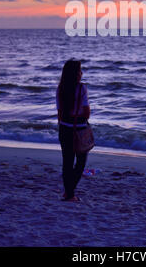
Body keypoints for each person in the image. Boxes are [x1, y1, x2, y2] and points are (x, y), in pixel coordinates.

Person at [57, 60, 91, 202]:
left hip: (64, 128)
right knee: (81, 162)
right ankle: (70, 193)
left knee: (67, 162)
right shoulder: (81, 88)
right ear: (75, 73)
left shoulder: (60, 88)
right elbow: (87, 113)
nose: (81, 73)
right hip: (79, 130)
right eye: (80, 70)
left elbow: (59, 112)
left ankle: (68, 193)